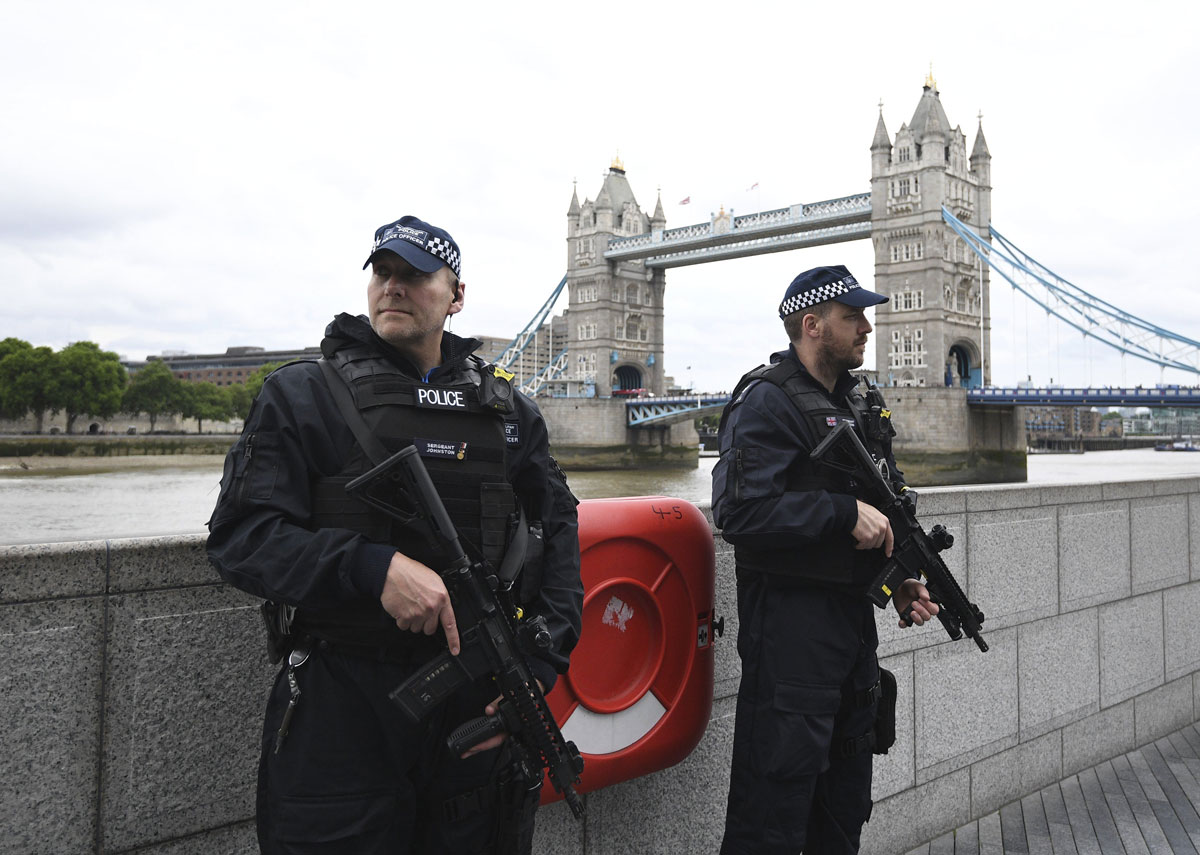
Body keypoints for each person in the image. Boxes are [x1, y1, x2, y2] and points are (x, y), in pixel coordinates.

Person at [207, 215, 583, 854]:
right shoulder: (303, 396)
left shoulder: (508, 411)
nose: (393, 288)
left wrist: (539, 667)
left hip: (477, 710)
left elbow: (559, 534)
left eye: (414, 276)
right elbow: (241, 539)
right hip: (343, 709)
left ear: (455, 296)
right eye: (383, 273)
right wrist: (371, 568)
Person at [712, 264, 938, 854]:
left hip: (853, 637)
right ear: (812, 326)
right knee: (774, 815)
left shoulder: (864, 401)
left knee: (843, 809)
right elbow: (739, 515)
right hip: (790, 641)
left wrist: (900, 583)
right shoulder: (766, 402)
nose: (868, 326)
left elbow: (887, 506)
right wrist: (840, 513)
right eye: (852, 317)